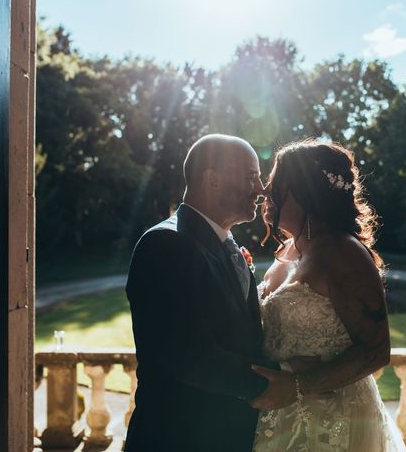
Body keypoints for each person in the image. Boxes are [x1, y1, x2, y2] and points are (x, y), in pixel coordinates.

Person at [124, 134, 296, 452]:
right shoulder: (165, 244)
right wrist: (268, 385)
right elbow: (183, 353)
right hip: (178, 437)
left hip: (225, 435)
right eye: (251, 176)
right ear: (212, 179)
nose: (260, 190)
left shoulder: (223, 244)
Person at [250, 139, 406, 452]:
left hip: (331, 419)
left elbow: (377, 351)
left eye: (276, 183)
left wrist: (297, 386)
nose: (265, 193)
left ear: (308, 192)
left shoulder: (343, 253)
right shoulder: (290, 250)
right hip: (280, 417)